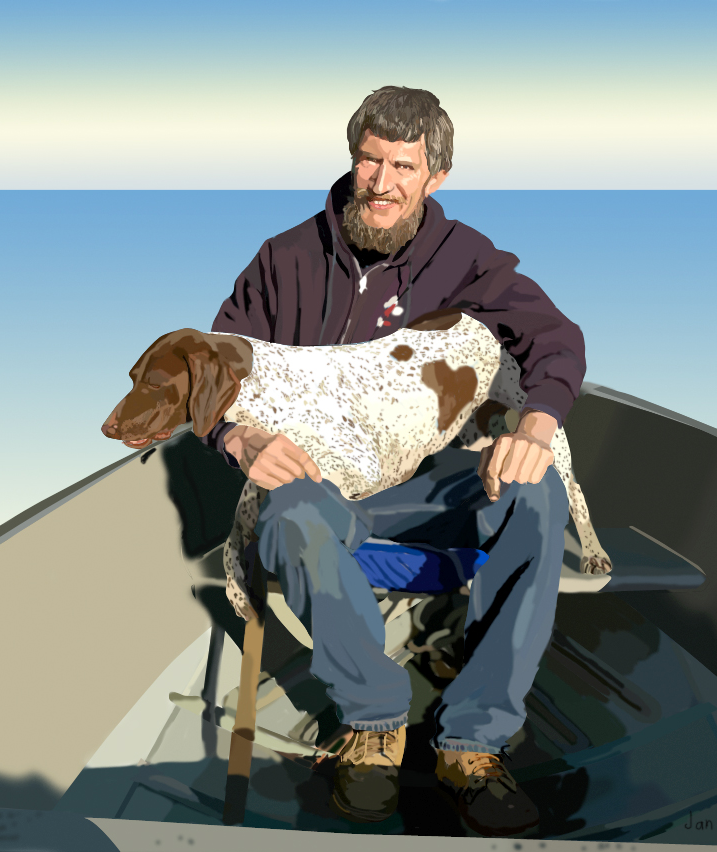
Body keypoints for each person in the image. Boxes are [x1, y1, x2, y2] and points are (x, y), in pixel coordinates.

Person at [200, 86, 586, 836]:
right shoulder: (283, 258)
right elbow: (219, 368)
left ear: (435, 176)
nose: (380, 183)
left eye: (403, 166)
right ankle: (374, 724)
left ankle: (473, 741)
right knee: (292, 512)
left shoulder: (469, 258)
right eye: (369, 160)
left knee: (535, 493)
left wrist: (535, 429)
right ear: (352, 159)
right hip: (325, 488)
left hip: (434, 488)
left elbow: (555, 339)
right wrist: (238, 439)